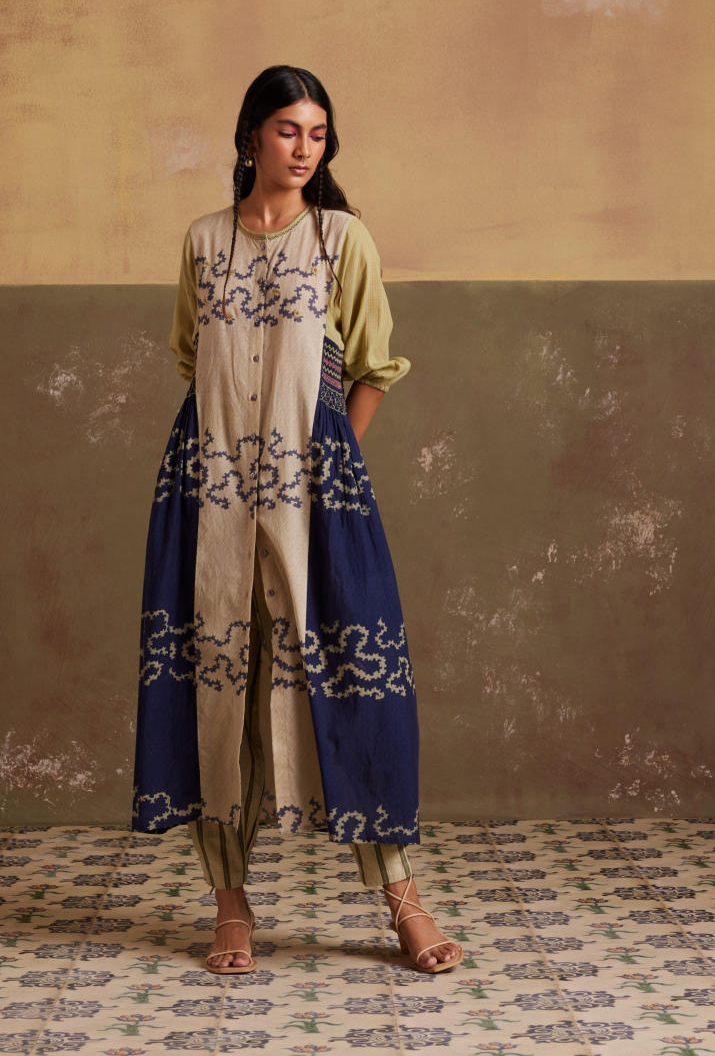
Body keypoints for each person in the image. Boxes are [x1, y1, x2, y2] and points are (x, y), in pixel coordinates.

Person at [131, 65, 462, 976]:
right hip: (208, 490)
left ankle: (403, 902)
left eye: (318, 133)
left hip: (315, 492)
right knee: (217, 688)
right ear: (251, 137)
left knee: (352, 681)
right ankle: (229, 905)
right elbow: (192, 355)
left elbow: (372, 367)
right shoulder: (204, 241)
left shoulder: (340, 238)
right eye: (288, 130)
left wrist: (326, 462)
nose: (305, 147)